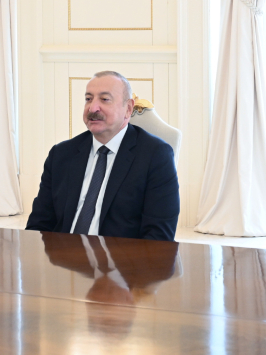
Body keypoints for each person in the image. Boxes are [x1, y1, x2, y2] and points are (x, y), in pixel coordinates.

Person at [26, 71, 179, 241]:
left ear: (128, 109)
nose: (93, 108)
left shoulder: (155, 156)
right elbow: (38, 225)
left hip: (120, 257)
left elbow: (159, 237)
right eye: (88, 99)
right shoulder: (61, 154)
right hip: (62, 254)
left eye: (104, 99)